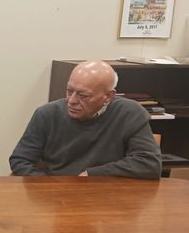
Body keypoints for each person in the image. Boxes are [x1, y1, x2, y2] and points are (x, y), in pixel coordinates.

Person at [9, 60, 161, 178]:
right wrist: (50, 185)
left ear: (108, 96)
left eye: (83, 95)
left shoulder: (129, 113)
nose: (72, 100)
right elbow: (20, 160)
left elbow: (149, 164)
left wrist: (92, 174)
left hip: (108, 197)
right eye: (69, 91)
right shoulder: (47, 114)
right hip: (56, 197)